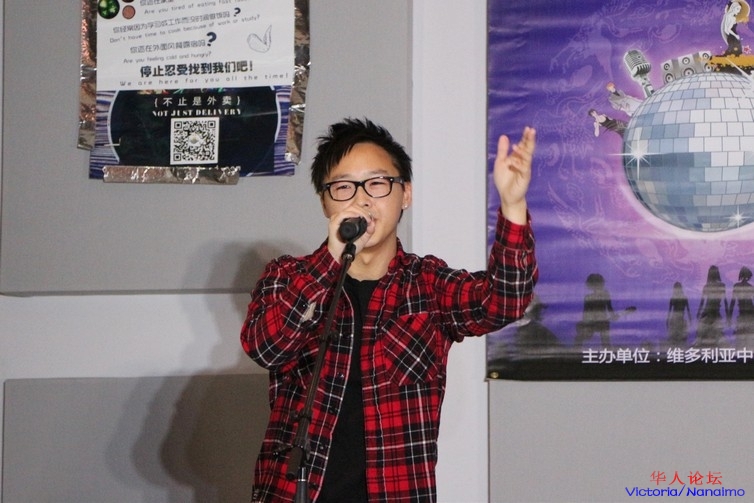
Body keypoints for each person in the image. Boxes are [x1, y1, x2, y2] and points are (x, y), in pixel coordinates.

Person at [240, 117, 538, 502]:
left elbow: (504, 300)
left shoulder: (428, 284)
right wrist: (331, 258)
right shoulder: (288, 276)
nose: (362, 199)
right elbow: (266, 348)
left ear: (405, 194)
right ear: (325, 202)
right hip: (293, 493)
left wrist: (513, 206)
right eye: (343, 187)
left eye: (377, 183)